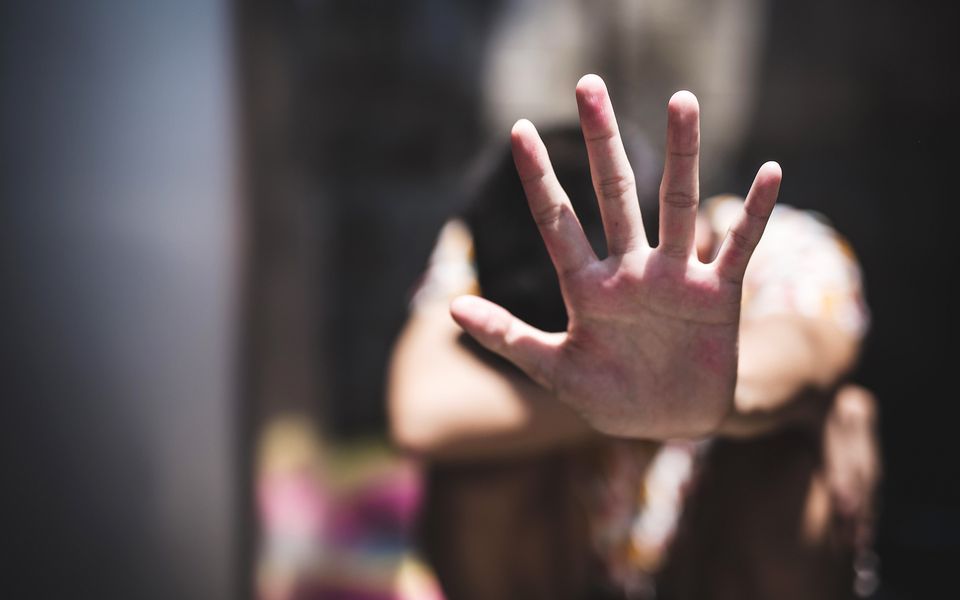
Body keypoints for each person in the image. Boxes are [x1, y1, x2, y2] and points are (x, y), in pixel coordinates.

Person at [387, 74, 877, 599]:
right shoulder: (492, 244)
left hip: (707, 560)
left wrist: (710, 397)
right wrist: (620, 398)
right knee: (469, 472)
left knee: (791, 462)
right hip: (572, 563)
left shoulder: (782, 249)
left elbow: (806, 351)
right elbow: (422, 412)